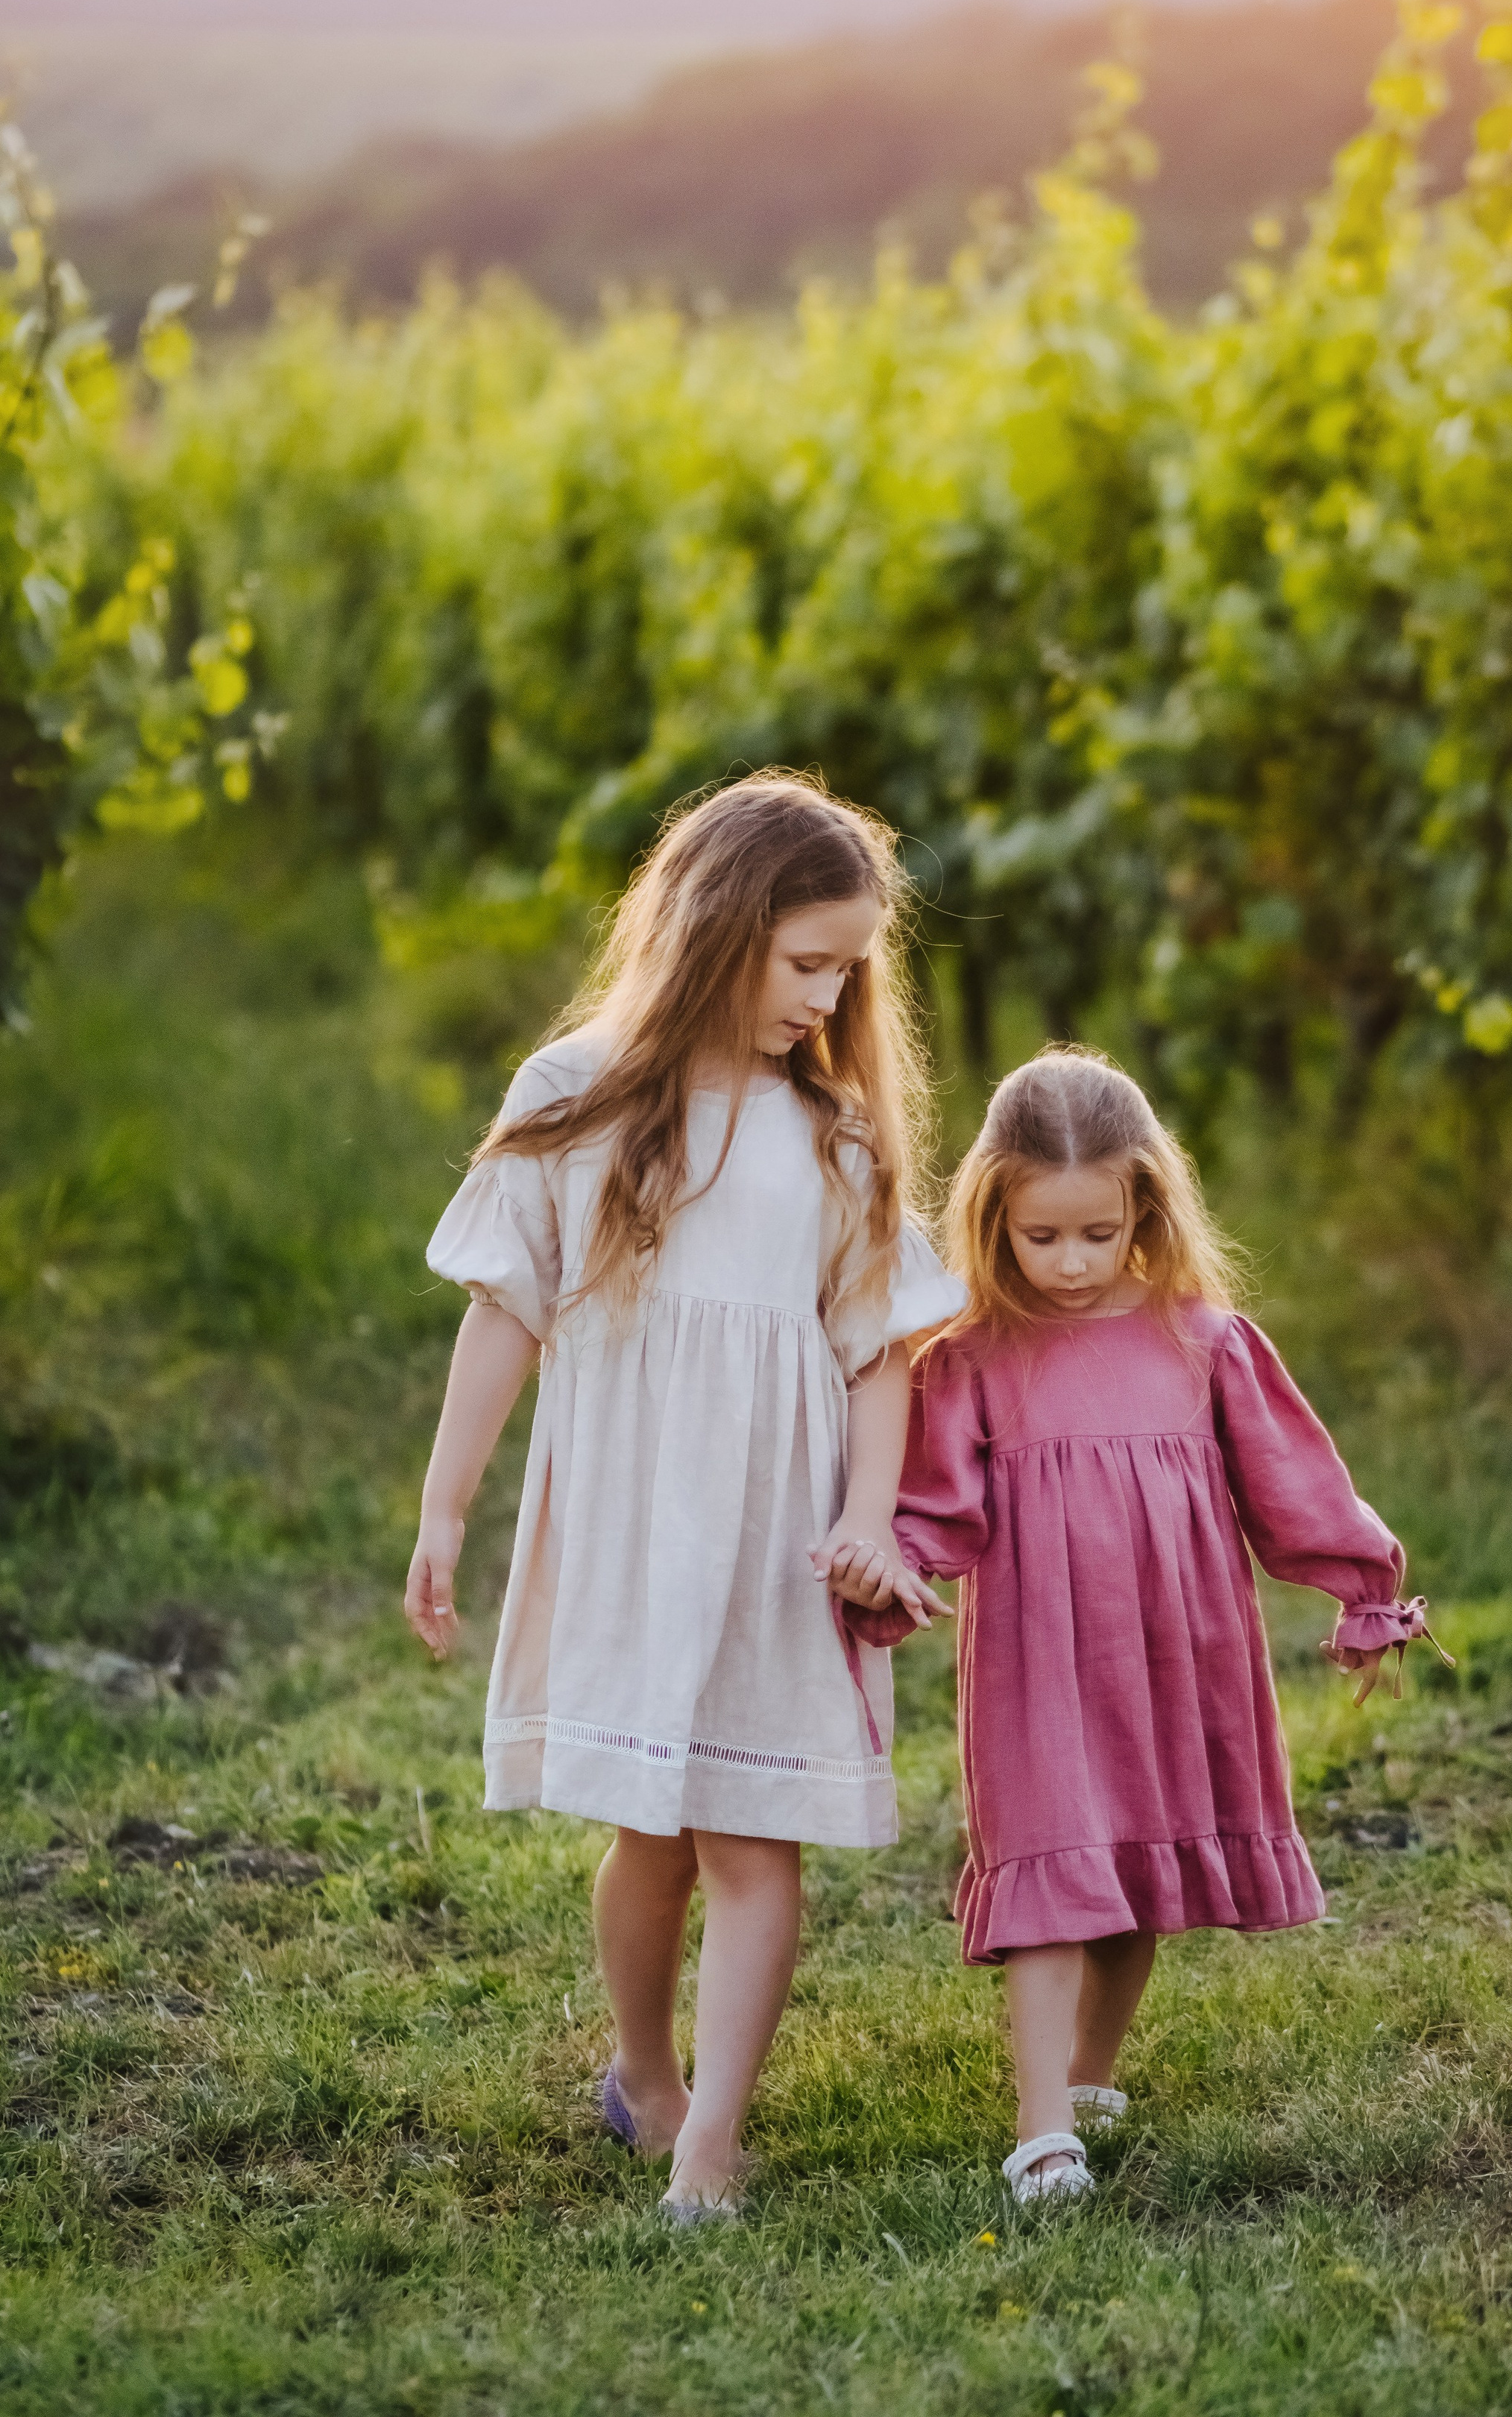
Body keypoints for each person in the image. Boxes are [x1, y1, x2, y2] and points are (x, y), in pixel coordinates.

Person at [404, 774, 957, 2221]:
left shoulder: (830, 1135)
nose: (828, 996)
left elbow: (878, 1352)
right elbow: (503, 1308)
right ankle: (643, 2074)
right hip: (635, 1522)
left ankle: (709, 2141)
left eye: (849, 969)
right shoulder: (573, 1095)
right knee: (648, 1832)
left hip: (778, 1538)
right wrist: (445, 1508)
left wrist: (868, 1515)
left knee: (748, 1835)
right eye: (805, 962)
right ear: (719, 929)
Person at [834, 1047, 1433, 2208]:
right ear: (993, 1216)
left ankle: (1090, 2075)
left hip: (1176, 1644)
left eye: (1096, 1234)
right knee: (1057, 1858)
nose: (1069, 1262)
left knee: (1135, 1865)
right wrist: (887, 1570)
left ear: (1143, 1209)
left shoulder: (1202, 1340)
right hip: (1035, 1657)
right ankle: (1042, 2130)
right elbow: (938, 1507)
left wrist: (1365, 1584)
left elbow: (1293, 1483)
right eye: (1039, 1236)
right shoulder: (969, 1357)